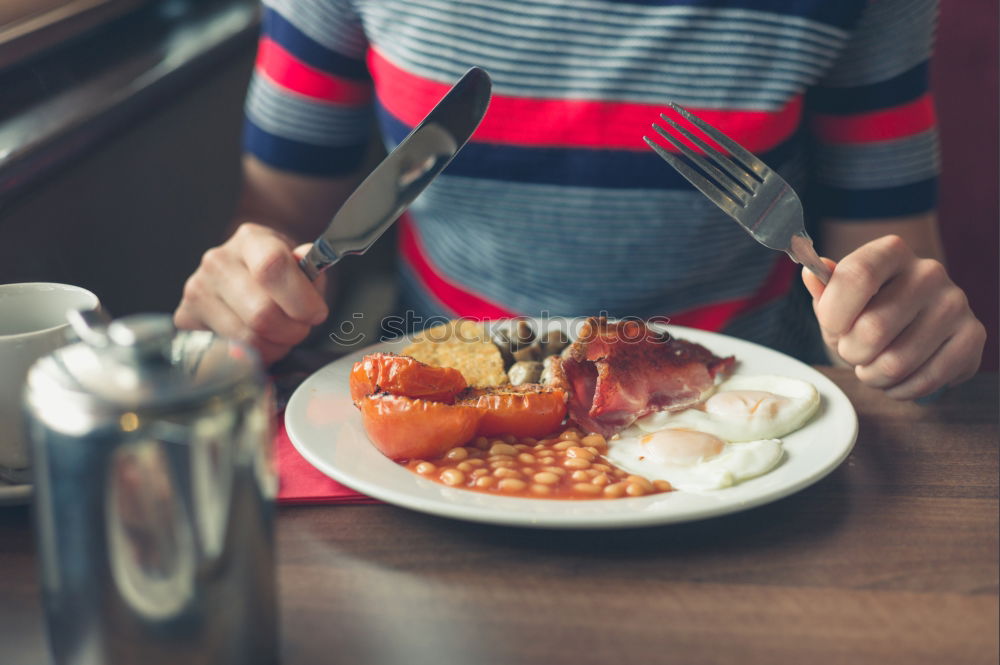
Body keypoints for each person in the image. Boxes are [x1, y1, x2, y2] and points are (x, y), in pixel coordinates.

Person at [174, 0, 985, 401]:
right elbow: (282, 218)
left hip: (739, 408)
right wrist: (251, 294)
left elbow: (891, 256)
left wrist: (901, 325)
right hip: (447, 411)